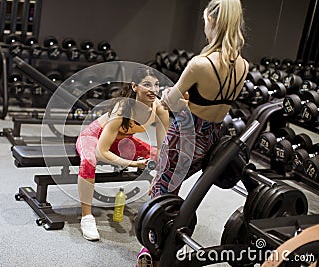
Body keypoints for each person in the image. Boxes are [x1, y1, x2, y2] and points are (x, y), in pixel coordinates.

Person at [136, 0, 249, 266]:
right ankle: (170, 238)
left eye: (205, 23)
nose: (205, 28)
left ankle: (150, 252)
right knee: (176, 190)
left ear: (213, 21)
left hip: (185, 137)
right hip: (212, 139)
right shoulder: (243, 66)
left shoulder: (200, 63)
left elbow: (168, 103)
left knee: (161, 189)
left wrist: (171, 97)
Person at [76, 67, 170, 241]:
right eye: (147, 85)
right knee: (88, 162)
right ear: (135, 87)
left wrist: (158, 174)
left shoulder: (159, 109)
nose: (153, 90)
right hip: (94, 137)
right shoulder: (122, 109)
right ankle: (86, 217)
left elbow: (164, 146)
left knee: (160, 155)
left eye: (156, 85)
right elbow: (101, 151)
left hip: (123, 141)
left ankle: (159, 208)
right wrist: (134, 164)